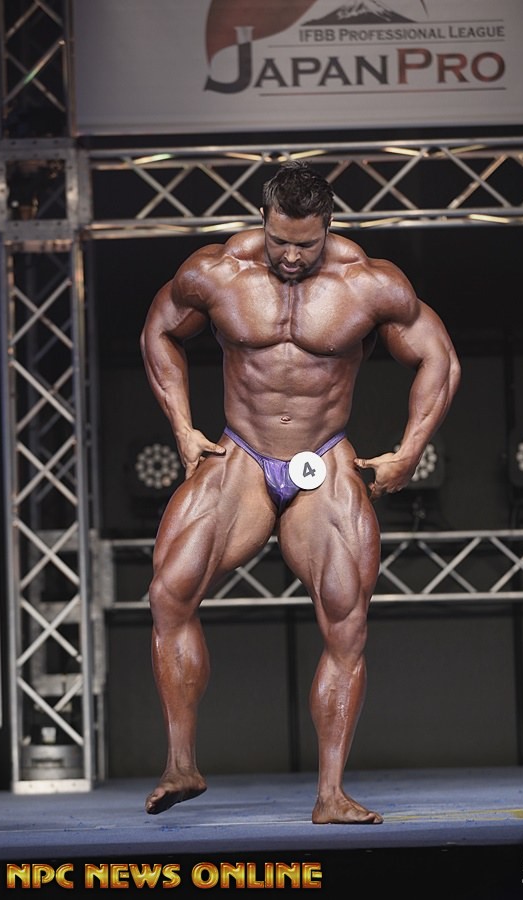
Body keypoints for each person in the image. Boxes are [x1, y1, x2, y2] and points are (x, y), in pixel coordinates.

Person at [140, 161, 460, 824]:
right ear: (263, 219)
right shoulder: (218, 272)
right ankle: (180, 764)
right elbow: (159, 331)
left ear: (329, 226)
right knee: (169, 592)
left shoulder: (368, 283)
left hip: (324, 455)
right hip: (242, 452)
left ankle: (331, 794)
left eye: (305, 245)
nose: (290, 256)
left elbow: (440, 357)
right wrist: (181, 426)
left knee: (346, 617)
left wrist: (409, 450)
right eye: (280, 240)